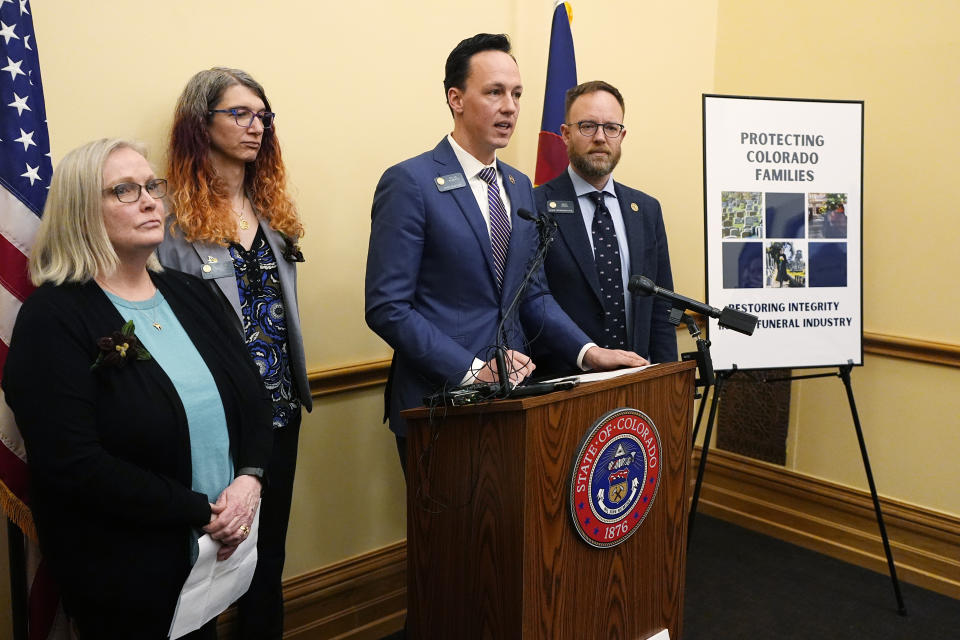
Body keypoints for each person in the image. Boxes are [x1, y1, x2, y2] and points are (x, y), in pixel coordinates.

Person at [2, 139, 272, 639]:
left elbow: (254, 400)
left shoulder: (192, 293)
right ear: (82, 212)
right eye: (124, 190)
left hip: (214, 558)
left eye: (152, 186)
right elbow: (74, 463)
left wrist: (250, 479)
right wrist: (201, 511)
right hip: (126, 571)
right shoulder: (54, 318)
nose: (150, 200)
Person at [365, 35, 646, 470]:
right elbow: (387, 308)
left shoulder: (518, 188)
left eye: (516, 94)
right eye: (495, 92)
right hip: (441, 407)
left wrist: (588, 353)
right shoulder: (411, 182)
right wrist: (472, 370)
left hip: (516, 400)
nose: (511, 106)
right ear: (455, 98)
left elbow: (532, 295)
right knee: (452, 540)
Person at [157, 67, 310, 640]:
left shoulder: (272, 211)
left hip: (280, 414)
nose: (256, 127)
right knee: (205, 562)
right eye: (239, 114)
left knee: (267, 560)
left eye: (263, 116)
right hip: (212, 420)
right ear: (202, 122)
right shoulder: (169, 217)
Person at [533, 81, 677, 377]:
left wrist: (668, 378)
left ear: (622, 135)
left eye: (610, 127)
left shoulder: (646, 210)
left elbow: (661, 308)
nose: (600, 137)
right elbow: (531, 303)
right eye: (587, 126)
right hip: (563, 386)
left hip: (636, 379)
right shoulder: (534, 206)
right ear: (565, 134)